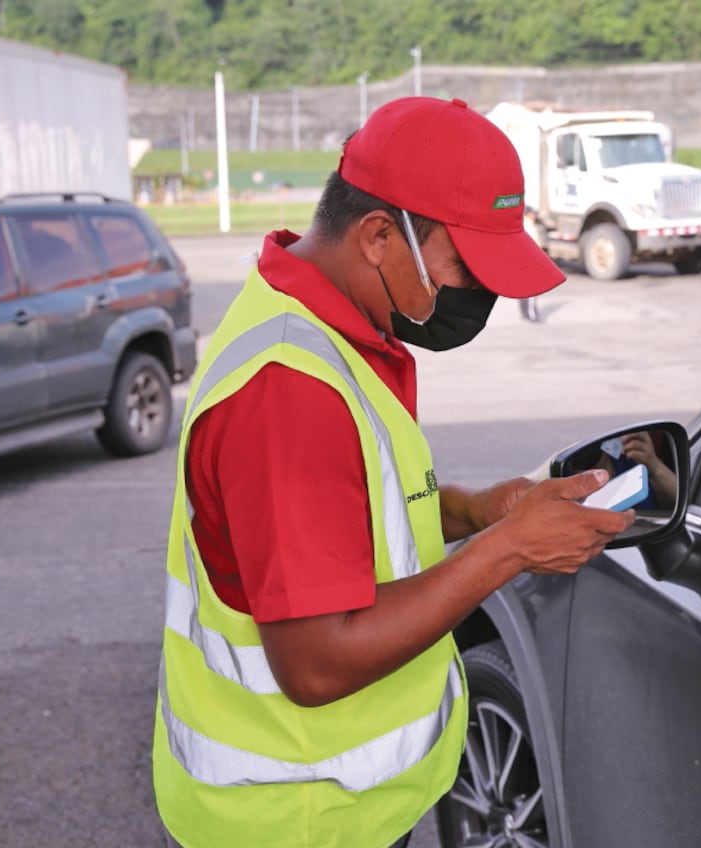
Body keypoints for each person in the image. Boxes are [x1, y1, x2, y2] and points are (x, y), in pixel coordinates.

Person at [152, 96, 634, 848]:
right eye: (466, 266)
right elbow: (315, 664)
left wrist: (474, 512)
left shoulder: (320, 324)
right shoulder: (291, 389)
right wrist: (509, 549)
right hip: (297, 821)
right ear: (380, 234)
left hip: (338, 808)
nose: (481, 294)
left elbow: (341, 508)